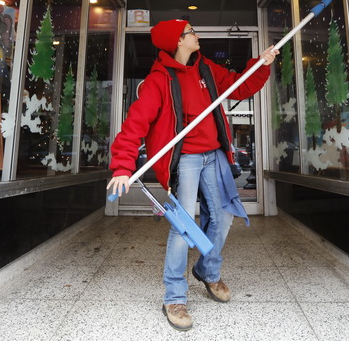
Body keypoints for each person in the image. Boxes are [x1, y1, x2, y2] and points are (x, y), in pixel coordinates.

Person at [108, 19, 278, 331]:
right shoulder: (159, 80)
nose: (196, 35)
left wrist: (261, 65)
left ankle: (207, 270)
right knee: (183, 226)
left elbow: (243, 84)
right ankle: (174, 296)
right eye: (190, 33)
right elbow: (135, 125)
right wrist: (122, 166)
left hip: (214, 155)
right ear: (177, 42)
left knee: (223, 215)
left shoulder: (206, 69)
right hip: (184, 159)